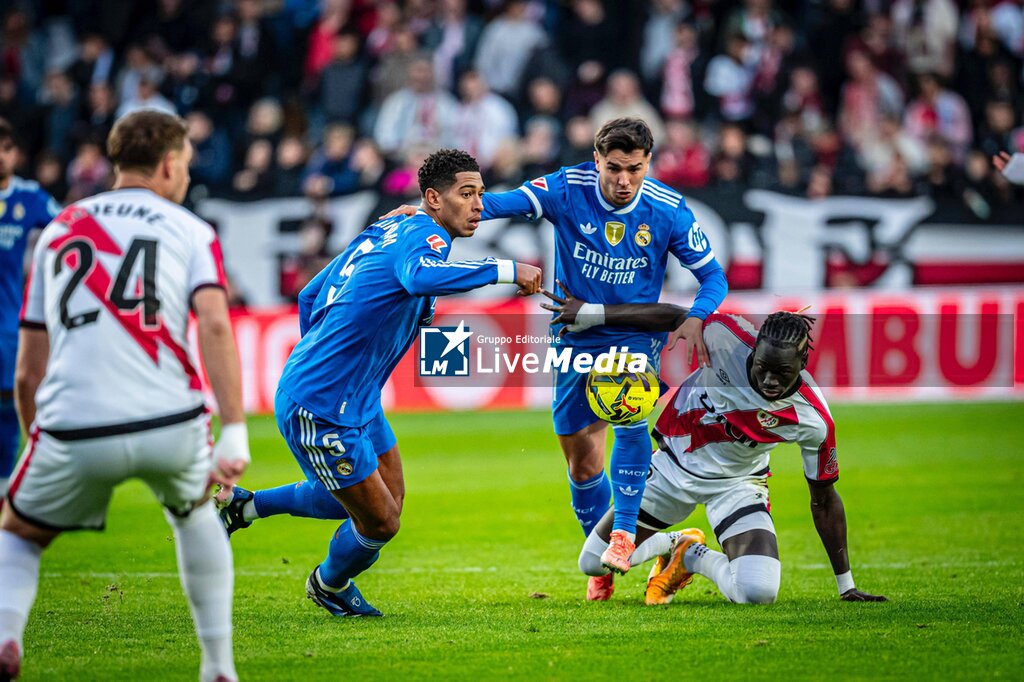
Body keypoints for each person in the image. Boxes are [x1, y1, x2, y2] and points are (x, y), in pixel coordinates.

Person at [385, 118, 728, 596]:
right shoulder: (568, 187)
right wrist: (430, 214)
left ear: (648, 162)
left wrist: (696, 316)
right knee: (582, 463)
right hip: (573, 333)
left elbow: (714, 277)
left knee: (629, 415)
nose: (624, 180)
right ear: (597, 162)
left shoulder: (669, 209)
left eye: (635, 169)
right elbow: (499, 204)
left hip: (631, 333)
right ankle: (611, 557)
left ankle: (625, 534)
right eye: (614, 169)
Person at [218, 149, 541, 617]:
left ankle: (245, 507)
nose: (477, 205)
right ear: (433, 198)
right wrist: (507, 269)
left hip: (356, 396)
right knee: (381, 521)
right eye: (466, 194)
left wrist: (343, 362)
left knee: (385, 498)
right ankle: (328, 584)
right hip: (321, 402)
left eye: (480, 194)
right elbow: (416, 276)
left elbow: (310, 295)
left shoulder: (389, 228)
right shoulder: (423, 234)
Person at [0, 110, 251, 681]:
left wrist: (40, 437)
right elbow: (214, 325)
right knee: (194, 516)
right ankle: (217, 666)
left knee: (19, 534)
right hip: (171, 419)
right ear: (168, 165)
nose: (185, 177)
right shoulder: (191, 229)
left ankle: (5, 635)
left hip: (74, 424)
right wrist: (233, 426)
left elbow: (27, 370)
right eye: (185, 165)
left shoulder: (60, 229)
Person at [543, 288, 885, 604]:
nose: (769, 380)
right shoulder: (725, 336)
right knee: (592, 563)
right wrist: (593, 314)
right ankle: (671, 542)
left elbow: (823, 498)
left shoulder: (813, 419)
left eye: (782, 373)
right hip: (671, 470)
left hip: (738, 486)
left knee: (758, 593)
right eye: (762, 367)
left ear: (802, 365)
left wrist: (847, 586)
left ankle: (690, 554)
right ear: (754, 351)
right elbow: (671, 315)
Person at [0, 118, 60, 502]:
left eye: (4, 148)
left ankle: (8, 486)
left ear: (15, 154)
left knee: (8, 405)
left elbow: (72, 230)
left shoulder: (29, 198)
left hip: (7, 324)